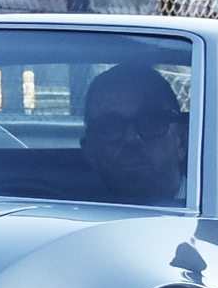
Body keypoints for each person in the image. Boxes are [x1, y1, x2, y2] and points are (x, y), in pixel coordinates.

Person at [80, 62, 189, 205]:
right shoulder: (65, 217)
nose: (131, 139)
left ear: (181, 141)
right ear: (89, 152)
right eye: (111, 126)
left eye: (150, 121)